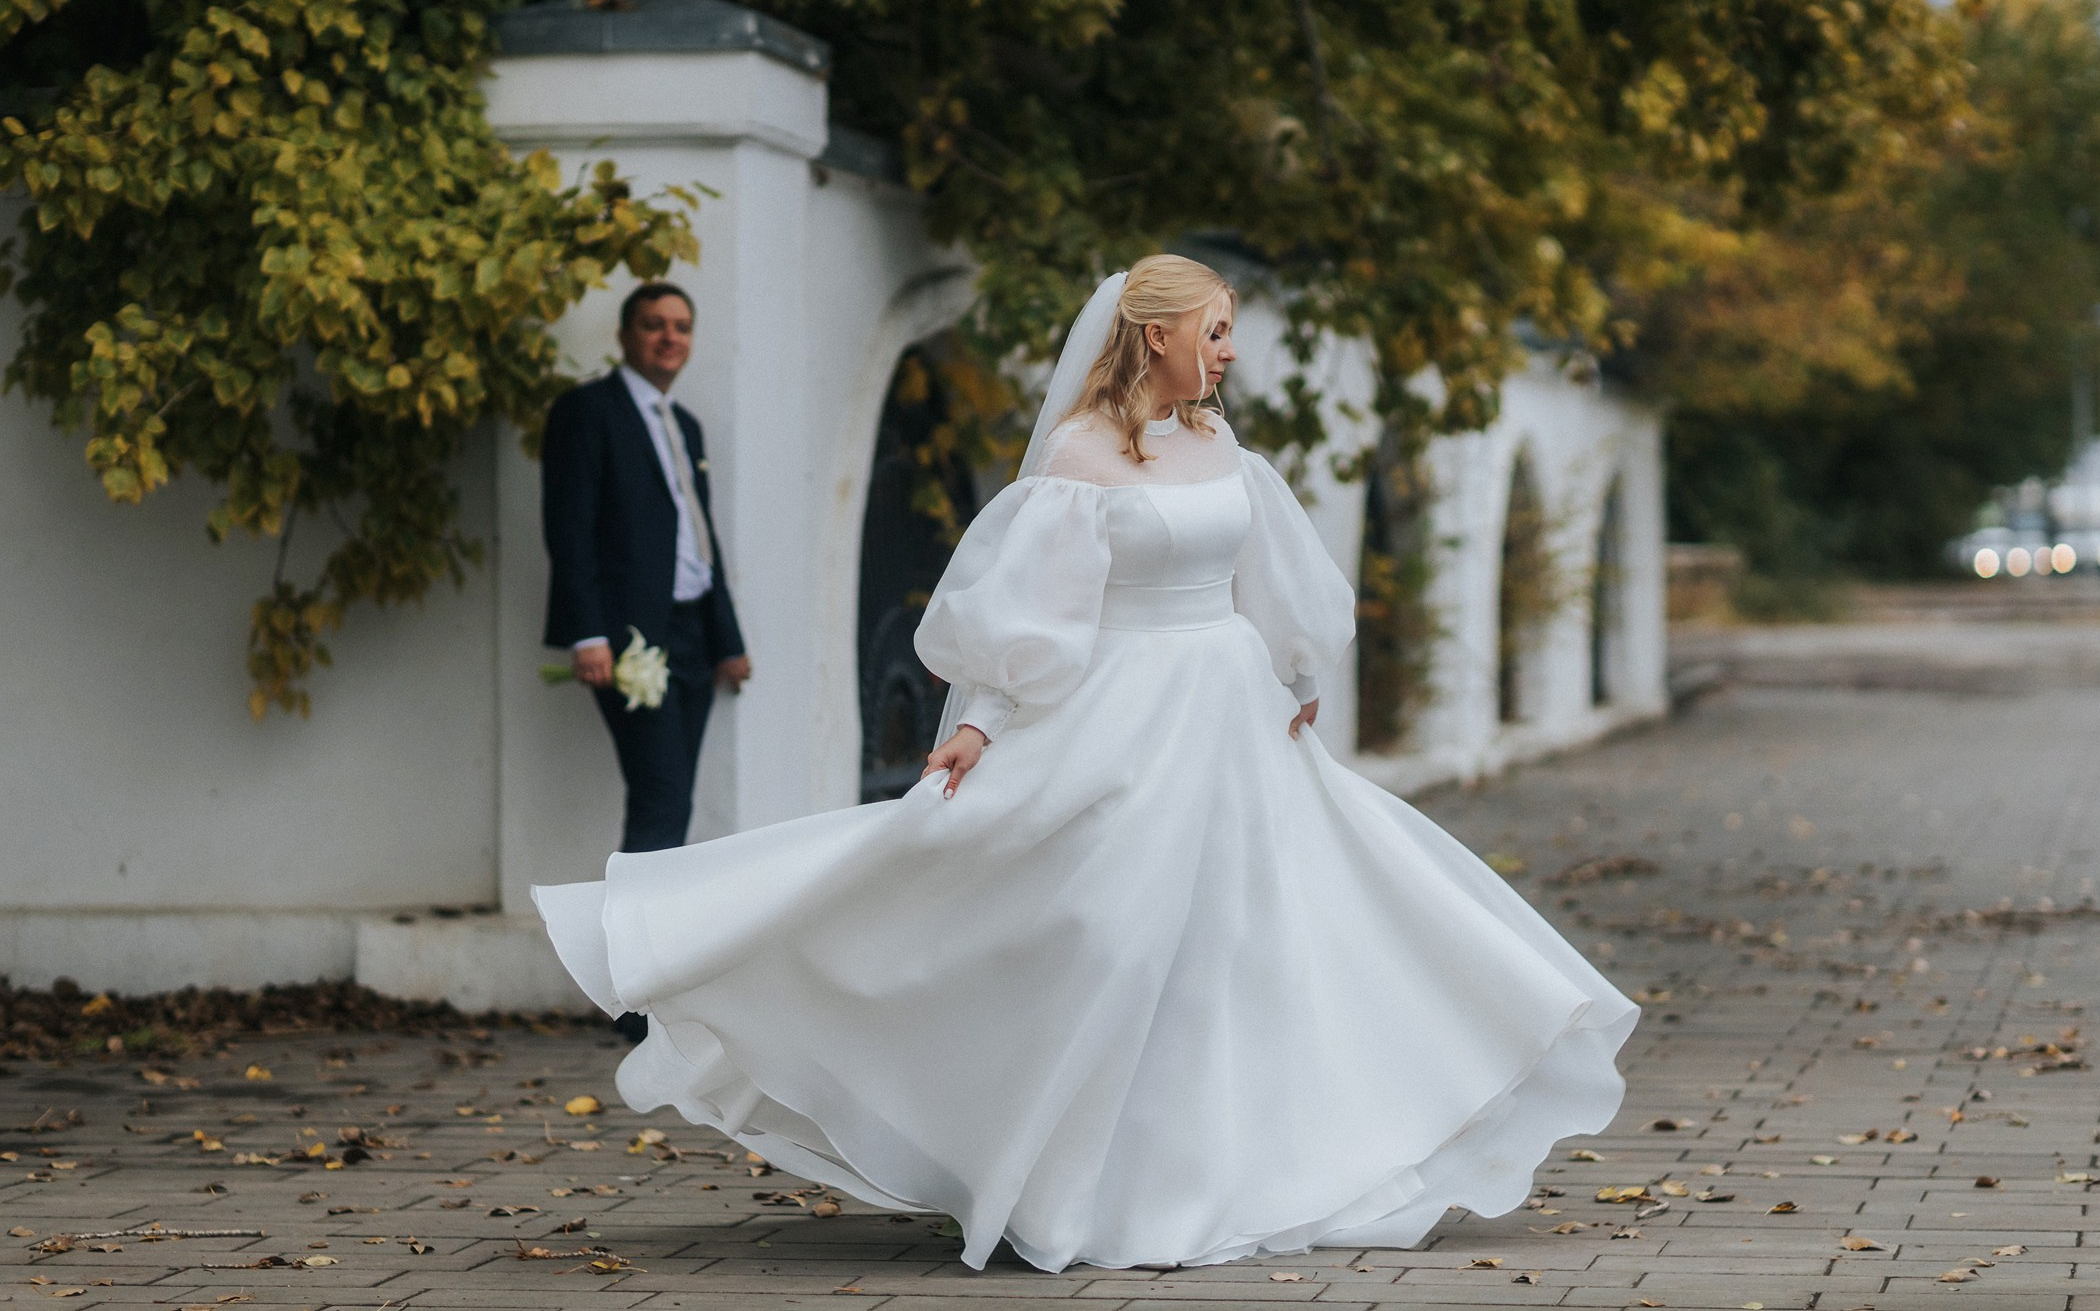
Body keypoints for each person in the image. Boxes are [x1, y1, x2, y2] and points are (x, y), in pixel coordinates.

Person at [533, 255, 1638, 1272]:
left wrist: (1297, 668)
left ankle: (1239, 1168)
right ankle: (1073, 1178)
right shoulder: (1078, 457)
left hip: (1232, 718)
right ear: (1151, 334)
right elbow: (1036, 612)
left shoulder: (1222, 447)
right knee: (1107, 935)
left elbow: (1274, 569)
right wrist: (983, 720)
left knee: (1254, 938)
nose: (1228, 349)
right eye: (1213, 329)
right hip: (1121, 716)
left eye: (1229, 330)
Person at [540, 281, 752, 854]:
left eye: (681, 327)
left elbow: (700, 535)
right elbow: (569, 528)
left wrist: (727, 642)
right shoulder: (586, 412)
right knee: (661, 796)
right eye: (655, 324)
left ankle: (652, 929)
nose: (670, 337)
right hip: (629, 636)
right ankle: (634, 939)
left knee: (674, 796)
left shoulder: (685, 425)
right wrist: (588, 635)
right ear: (625, 336)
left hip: (695, 640)